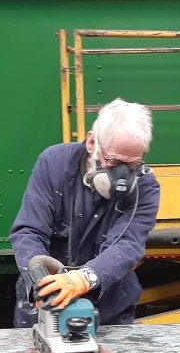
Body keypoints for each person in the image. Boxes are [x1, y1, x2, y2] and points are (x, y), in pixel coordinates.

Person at [9, 98, 160, 327]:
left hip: (109, 305)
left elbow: (128, 244)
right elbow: (28, 231)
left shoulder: (145, 187)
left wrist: (85, 277)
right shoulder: (53, 163)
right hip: (44, 300)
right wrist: (39, 279)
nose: (122, 178)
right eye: (114, 162)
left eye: (131, 166)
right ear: (92, 143)